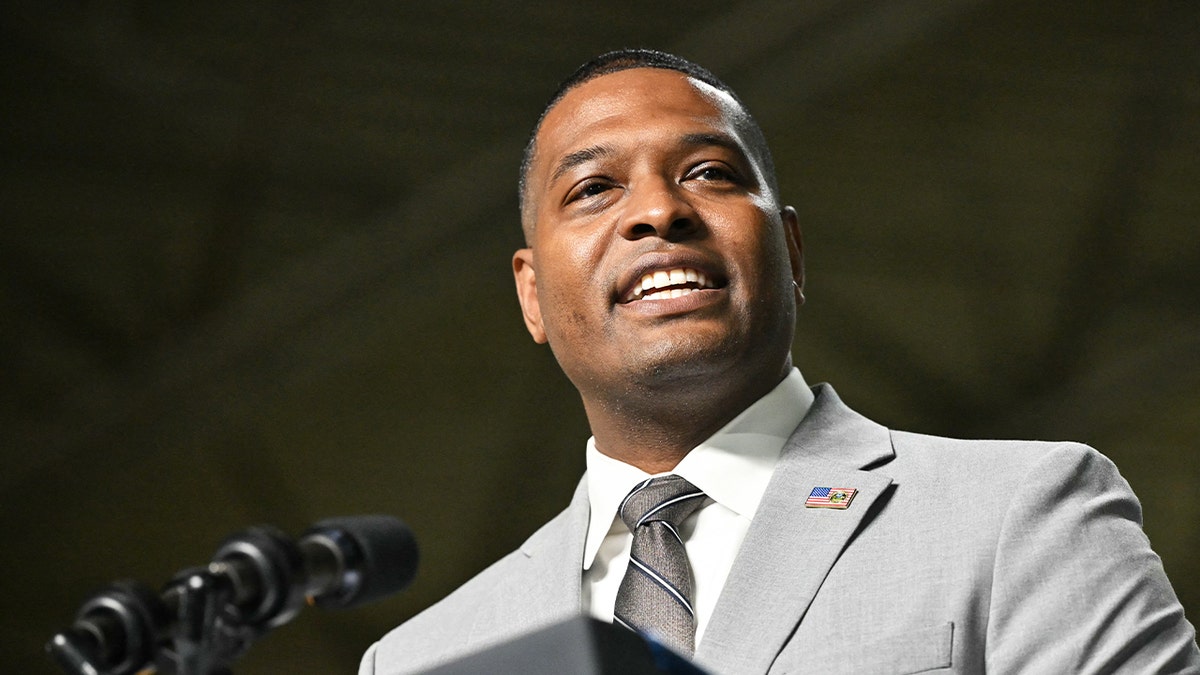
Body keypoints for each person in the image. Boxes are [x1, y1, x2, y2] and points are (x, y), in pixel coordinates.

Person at [360, 49, 1199, 674]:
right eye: (593, 188)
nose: (658, 209)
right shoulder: (421, 658)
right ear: (533, 294)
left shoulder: (1023, 514)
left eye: (709, 173)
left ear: (791, 251)